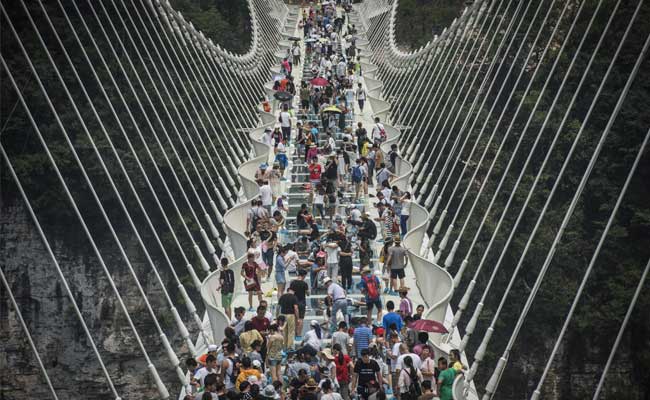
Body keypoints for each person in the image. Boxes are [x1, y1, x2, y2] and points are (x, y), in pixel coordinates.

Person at [289, 269, 310, 340]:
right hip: (302, 303)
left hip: (294, 303)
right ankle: (299, 335)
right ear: (303, 275)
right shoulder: (304, 284)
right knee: (301, 319)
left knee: (295, 319)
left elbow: (291, 294)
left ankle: (294, 333)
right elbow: (308, 294)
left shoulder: (293, 283)